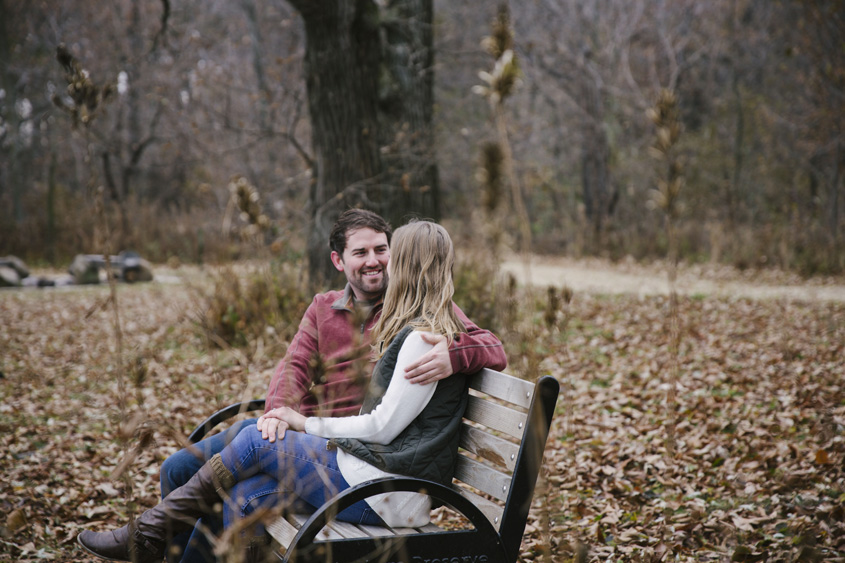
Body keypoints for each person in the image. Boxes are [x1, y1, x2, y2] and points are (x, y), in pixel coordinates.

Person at [78, 220, 485, 563]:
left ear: (407, 264)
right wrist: (280, 415)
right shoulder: (332, 307)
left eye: (386, 251)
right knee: (194, 473)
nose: (377, 261)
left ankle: (147, 534)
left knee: (251, 457)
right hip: (344, 454)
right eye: (362, 252)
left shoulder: (424, 330)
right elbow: (292, 367)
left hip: (368, 470)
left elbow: (385, 421)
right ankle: (155, 539)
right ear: (339, 261)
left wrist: (457, 355)